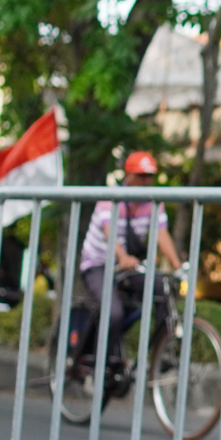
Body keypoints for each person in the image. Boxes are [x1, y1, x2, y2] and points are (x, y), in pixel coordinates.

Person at [76, 151, 181, 372]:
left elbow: (162, 234)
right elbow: (109, 232)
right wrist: (122, 256)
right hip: (98, 264)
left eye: (150, 176)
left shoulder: (153, 202)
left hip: (128, 267)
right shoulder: (111, 198)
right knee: (114, 313)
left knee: (163, 288)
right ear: (129, 176)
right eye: (141, 176)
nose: (146, 181)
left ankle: (161, 352)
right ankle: (101, 366)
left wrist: (178, 267)